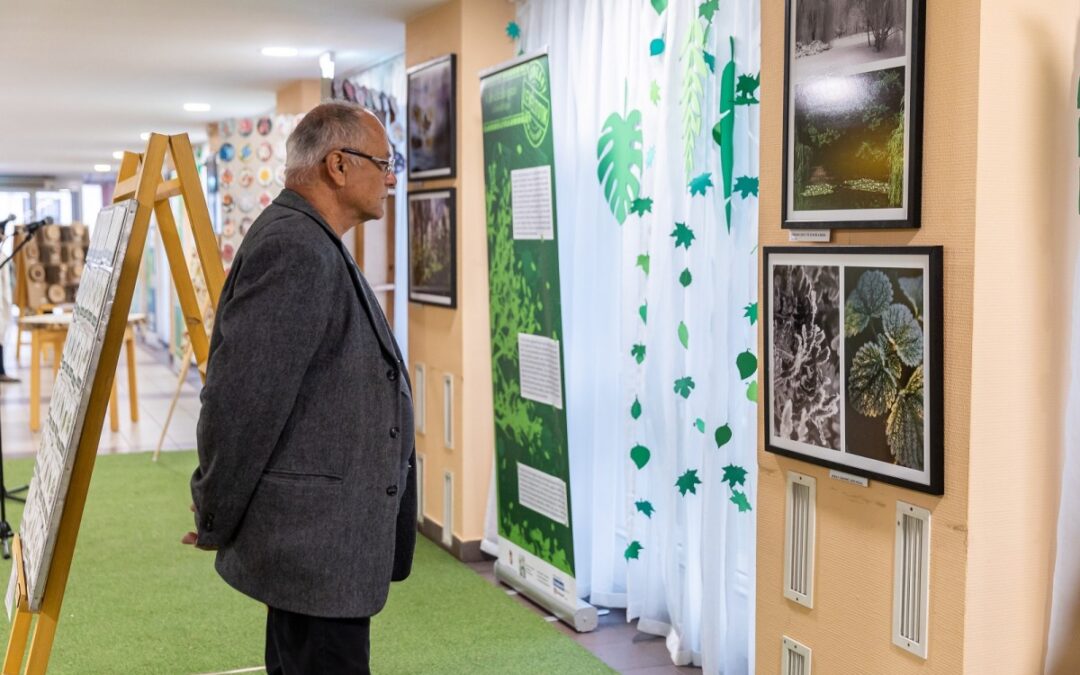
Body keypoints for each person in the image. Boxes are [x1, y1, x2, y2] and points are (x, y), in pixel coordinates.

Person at [184, 101, 416, 674]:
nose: (390, 179)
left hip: (320, 546)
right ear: (338, 165)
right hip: (315, 547)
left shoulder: (311, 239)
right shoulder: (296, 247)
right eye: (384, 164)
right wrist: (214, 509)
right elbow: (242, 402)